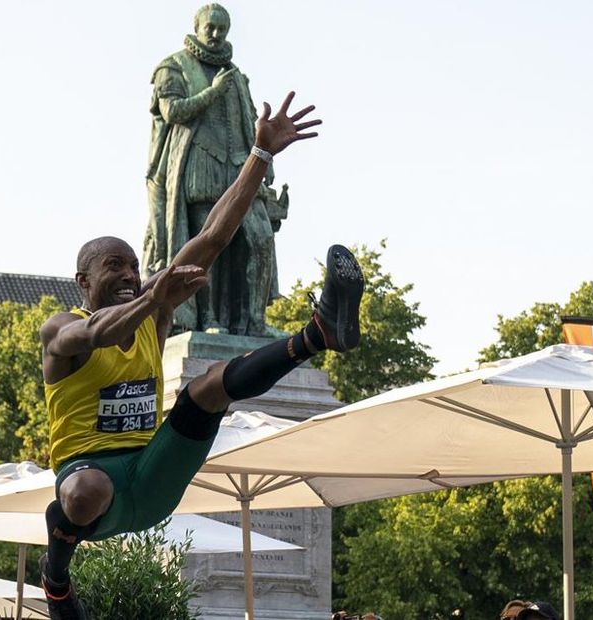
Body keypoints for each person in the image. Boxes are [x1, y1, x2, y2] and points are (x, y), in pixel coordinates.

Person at [38, 92, 362, 620]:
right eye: (113, 267)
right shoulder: (61, 330)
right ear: (82, 282)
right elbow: (98, 331)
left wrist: (260, 156)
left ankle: (318, 334)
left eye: (133, 268)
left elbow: (213, 235)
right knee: (84, 489)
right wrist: (154, 298)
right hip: (93, 485)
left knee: (209, 388)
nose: (128, 275)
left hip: (153, 471)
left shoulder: (153, 309)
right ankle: (57, 575)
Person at [145, 3, 281, 335]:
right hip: (197, 166)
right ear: (197, 26)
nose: (217, 35)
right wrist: (212, 92)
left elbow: (250, 121)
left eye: (223, 29)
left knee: (259, 240)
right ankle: (208, 319)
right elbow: (173, 111)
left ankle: (254, 322)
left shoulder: (235, 73)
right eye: (211, 28)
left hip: (239, 166)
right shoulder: (173, 66)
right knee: (206, 246)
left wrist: (267, 162)